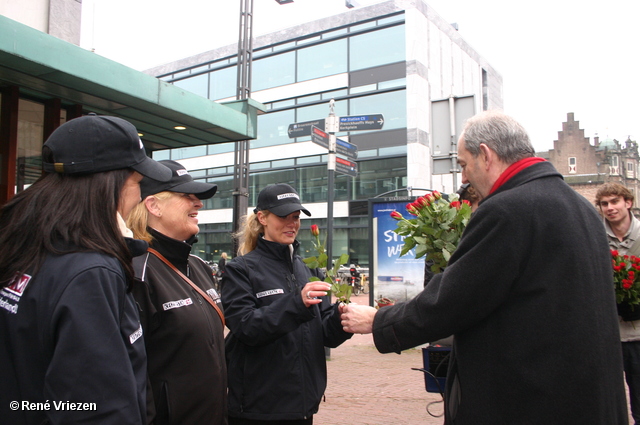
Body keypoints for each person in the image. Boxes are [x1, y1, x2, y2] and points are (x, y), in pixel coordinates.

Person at [341, 111, 628, 424]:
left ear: (487, 155)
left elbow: (454, 299)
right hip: (587, 400)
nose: (463, 178)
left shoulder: (508, 209)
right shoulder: (581, 207)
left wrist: (380, 321)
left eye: (464, 164)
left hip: (531, 403)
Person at [0, 114, 172, 424]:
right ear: (110, 184)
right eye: (137, 182)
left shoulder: (25, 250)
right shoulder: (90, 272)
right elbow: (96, 409)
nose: (139, 195)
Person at [222, 183, 352, 425]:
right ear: (262, 217)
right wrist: (297, 303)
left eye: (296, 217)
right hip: (257, 409)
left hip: (302, 407)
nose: (292, 223)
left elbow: (324, 334)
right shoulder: (240, 270)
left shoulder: (310, 269)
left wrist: (342, 318)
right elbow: (246, 327)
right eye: (283, 216)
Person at [126, 159, 227, 425]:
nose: (199, 204)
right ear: (153, 205)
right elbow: (129, 374)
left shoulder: (199, 266)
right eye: (187, 196)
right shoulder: (136, 272)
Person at [596, 182, 640, 425]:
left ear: (628, 202)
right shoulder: (593, 237)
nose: (610, 208)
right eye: (604, 204)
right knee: (607, 403)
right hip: (607, 334)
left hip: (638, 334)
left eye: (614, 202)